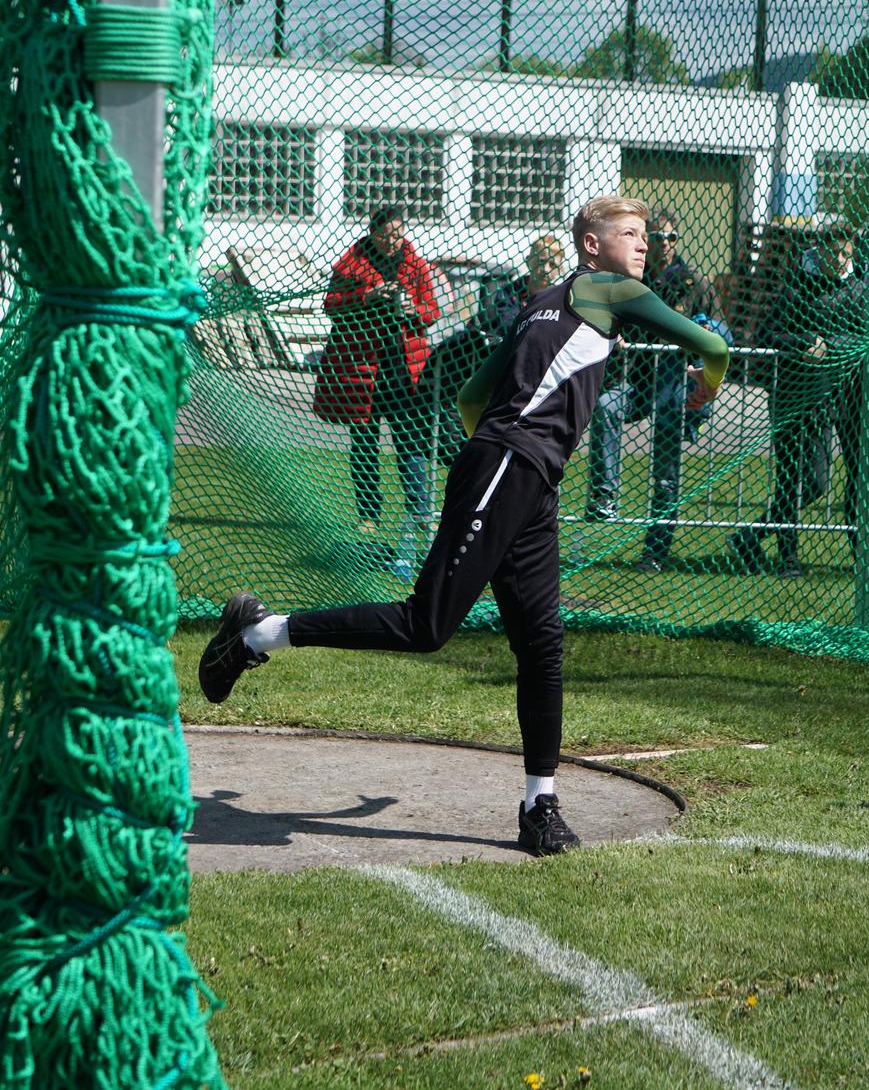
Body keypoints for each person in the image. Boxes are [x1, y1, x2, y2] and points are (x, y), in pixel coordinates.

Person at [200, 197, 730, 855]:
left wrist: (502, 455)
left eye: (646, 235)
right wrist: (707, 384)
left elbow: (471, 397)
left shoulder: (546, 303)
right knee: (426, 625)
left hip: (522, 478)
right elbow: (710, 345)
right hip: (511, 468)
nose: (644, 244)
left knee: (542, 643)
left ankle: (539, 806)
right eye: (629, 233)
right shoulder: (608, 287)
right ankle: (256, 633)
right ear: (591, 246)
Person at [730, 224, 866, 577]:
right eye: (833, 253)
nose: (840, 260)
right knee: (800, 479)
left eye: (846, 253)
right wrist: (805, 341)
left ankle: (751, 537)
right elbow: (768, 334)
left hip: (846, 394)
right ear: (819, 251)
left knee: (853, 476)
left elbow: (867, 338)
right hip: (796, 394)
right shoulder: (797, 286)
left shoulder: (859, 287)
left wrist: (830, 345)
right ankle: (787, 557)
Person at [312, 206, 440, 577]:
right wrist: (368, 296)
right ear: (373, 233)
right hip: (362, 369)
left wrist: (411, 307)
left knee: (410, 442)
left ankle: (419, 510)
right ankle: (369, 513)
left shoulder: (416, 265)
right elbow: (331, 305)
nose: (392, 241)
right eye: (386, 234)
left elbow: (431, 312)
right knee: (364, 442)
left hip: (403, 370)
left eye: (398, 234)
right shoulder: (350, 263)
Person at [584, 209, 712, 568]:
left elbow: (710, 327)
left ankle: (655, 551)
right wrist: (613, 332)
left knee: (665, 471)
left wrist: (699, 332)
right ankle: (604, 496)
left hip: (673, 383)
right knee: (607, 406)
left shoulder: (690, 281)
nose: (664, 244)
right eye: (657, 238)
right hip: (638, 380)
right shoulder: (629, 276)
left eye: (671, 238)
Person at [425, 236, 567, 471]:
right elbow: (508, 325)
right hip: (508, 372)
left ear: (561, 267)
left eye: (552, 264)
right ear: (529, 260)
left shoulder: (563, 298)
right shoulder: (509, 293)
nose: (545, 268)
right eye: (541, 261)